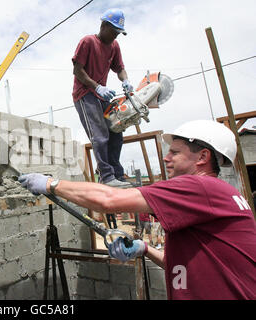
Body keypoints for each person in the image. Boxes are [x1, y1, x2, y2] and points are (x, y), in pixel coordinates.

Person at [18, 120, 256, 299]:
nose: (166, 158)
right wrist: (144, 249)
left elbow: (109, 199)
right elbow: (181, 265)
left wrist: (52, 184)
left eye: (175, 152)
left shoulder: (200, 187)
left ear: (203, 156)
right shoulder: (217, 194)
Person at [72, 8, 133, 188]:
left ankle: (116, 174)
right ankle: (106, 176)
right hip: (85, 94)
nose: (116, 36)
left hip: (101, 94)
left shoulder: (114, 46)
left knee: (116, 131)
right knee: (99, 134)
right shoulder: (88, 42)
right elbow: (77, 70)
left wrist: (126, 80)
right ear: (103, 25)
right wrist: (97, 86)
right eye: (114, 31)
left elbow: (119, 68)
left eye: (118, 33)